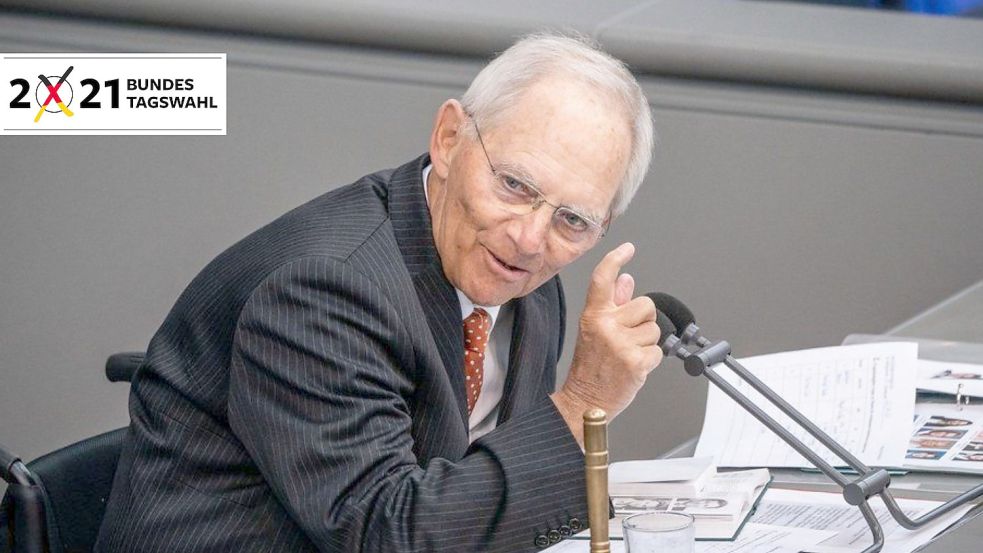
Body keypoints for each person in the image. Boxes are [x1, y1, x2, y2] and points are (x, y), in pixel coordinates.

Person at [95, 33, 659, 553]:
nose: (530, 238)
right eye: (513, 185)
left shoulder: (526, 279)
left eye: (573, 221)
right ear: (448, 139)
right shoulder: (322, 289)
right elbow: (385, 535)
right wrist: (585, 402)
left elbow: (480, 498)